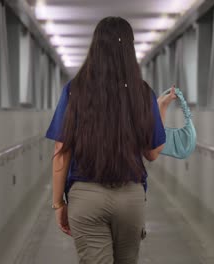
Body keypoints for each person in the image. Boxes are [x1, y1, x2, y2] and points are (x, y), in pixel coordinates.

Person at [45, 16, 176, 264]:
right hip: (131, 197)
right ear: (129, 47)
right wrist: (160, 108)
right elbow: (152, 152)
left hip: (85, 197)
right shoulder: (142, 92)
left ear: (95, 46)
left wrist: (58, 203)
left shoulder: (75, 89)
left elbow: (61, 151)